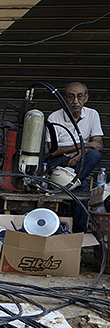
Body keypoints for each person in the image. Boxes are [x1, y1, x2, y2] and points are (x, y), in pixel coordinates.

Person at [46, 82, 104, 232]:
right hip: (60, 161)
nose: (75, 101)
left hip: (80, 161)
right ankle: (80, 232)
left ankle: (69, 182)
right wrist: (82, 147)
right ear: (65, 99)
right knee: (82, 185)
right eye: (71, 97)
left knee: (95, 155)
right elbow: (53, 151)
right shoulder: (54, 117)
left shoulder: (92, 114)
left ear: (86, 98)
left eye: (79, 97)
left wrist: (79, 155)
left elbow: (98, 145)